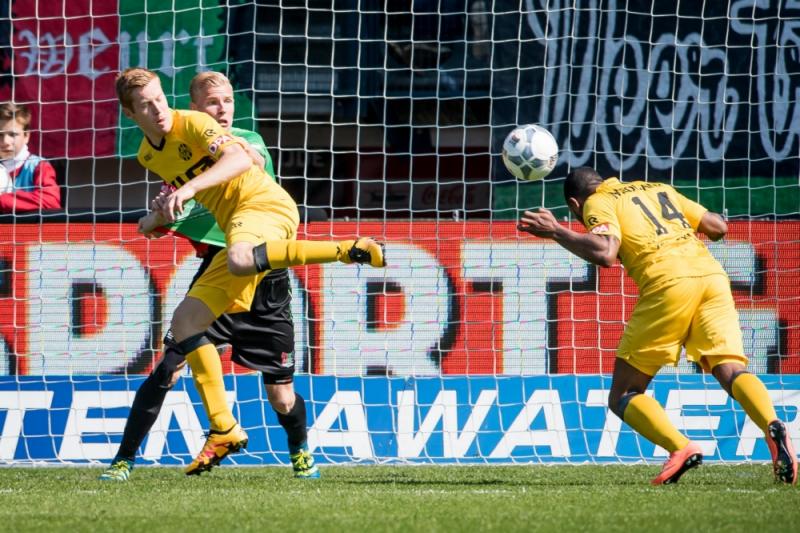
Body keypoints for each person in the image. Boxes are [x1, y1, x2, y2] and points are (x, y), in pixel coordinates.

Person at [107, 67, 384, 478]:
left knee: (243, 266)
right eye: (147, 105)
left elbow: (236, 158)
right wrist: (154, 219)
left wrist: (187, 190)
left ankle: (347, 250)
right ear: (132, 115)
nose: (158, 109)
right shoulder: (149, 155)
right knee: (184, 323)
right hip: (234, 240)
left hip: (263, 210)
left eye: (160, 99)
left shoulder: (196, 124)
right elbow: (176, 206)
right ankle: (222, 428)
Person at [518, 166, 797, 486]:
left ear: (574, 205)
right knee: (730, 370)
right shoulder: (656, 188)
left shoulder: (596, 202)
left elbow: (606, 252)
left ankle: (680, 447)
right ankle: (772, 424)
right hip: (712, 278)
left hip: (668, 283)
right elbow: (717, 226)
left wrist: (556, 231)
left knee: (624, 393)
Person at [0, 102, 60, 213]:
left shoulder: (38, 166)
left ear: (26, 136)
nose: (5, 142)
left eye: (12, 135)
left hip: (28, 230)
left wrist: (3, 201)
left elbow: (50, 201)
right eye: (0, 135)